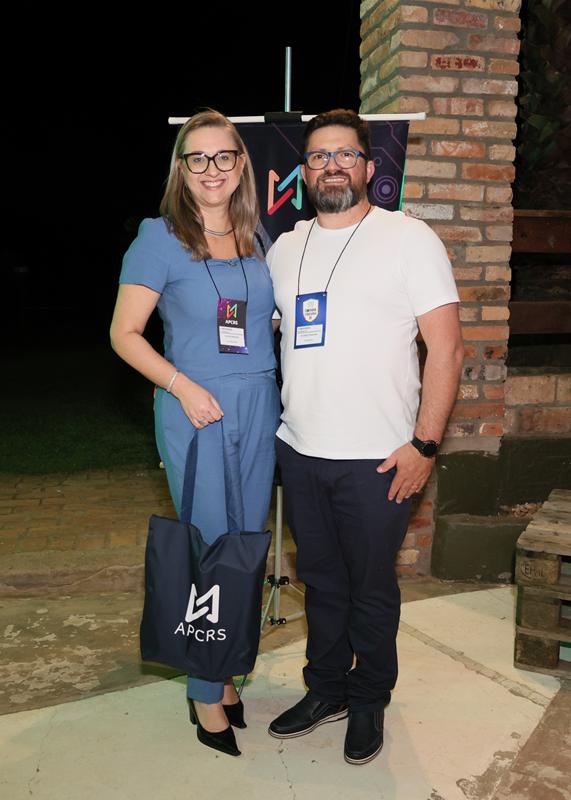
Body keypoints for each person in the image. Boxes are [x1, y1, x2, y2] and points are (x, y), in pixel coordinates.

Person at [267, 109, 464, 765]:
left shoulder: (407, 238)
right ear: (302, 172)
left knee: (370, 588)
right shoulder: (284, 247)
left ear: (370, 167)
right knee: (320, 581)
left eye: (345, 155)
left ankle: (370, 697)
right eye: (319, 156)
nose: (332, 166)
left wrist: (425, 445)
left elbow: (446, 349)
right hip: (300, 451)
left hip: (379, 460)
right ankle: (325, 688)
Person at [110, 109, 280, 758]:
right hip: (197, 410)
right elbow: (124, 334)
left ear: (241, 164)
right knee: (209, 543)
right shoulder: (159, 238)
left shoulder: (255, 235)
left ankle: (226, 668)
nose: (212, 169)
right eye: (198, 158)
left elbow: (260, 322)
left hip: (258, 405)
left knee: (245, 542)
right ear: (181, 169)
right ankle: (205, 690)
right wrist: (182, 386)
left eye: (223, 156)